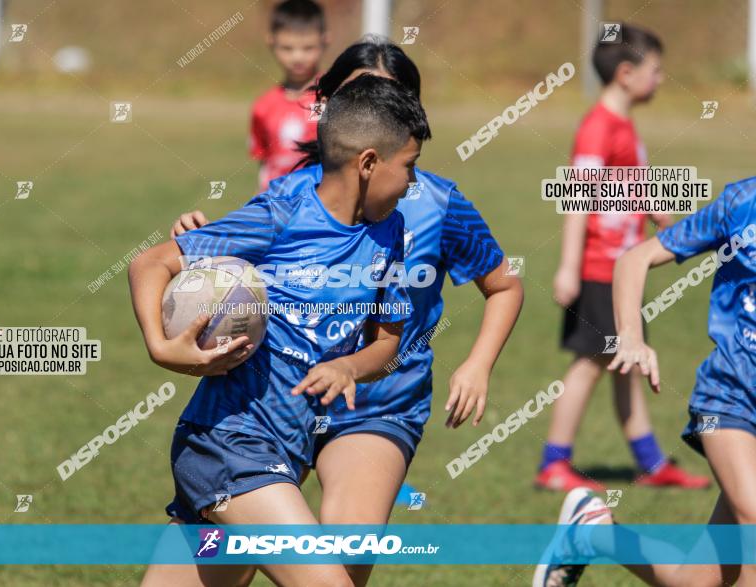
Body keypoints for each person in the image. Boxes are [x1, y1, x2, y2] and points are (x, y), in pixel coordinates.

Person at [170, 38, 524, 587]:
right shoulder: (293, 192)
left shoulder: (438, 202)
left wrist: (477, 363)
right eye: (357, 98)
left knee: (334, 569)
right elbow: (261, 273)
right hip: (274, 402)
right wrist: (201, 265)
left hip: (376, 405)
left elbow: (504, 285)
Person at [135, 74, 430, 587]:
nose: (413, 182)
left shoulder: (391, 231)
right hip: (228, 441)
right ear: (367, 162)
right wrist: (164, 350)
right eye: (409, 167)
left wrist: (347, 365)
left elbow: (387, 342)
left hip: (284, 450)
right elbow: (152, 263)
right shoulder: (283, 215)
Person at [535, 176, 756, 586]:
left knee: (697, 581)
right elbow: (634, 258)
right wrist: (631, 336)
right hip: (729, 400)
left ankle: (594, 533)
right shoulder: (742, 202)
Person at [536, 23, 708, 491]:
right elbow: (578, 198)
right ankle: (554, 463)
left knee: (626, 362)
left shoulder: (623, 128)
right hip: (598, 269)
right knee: (592, 363)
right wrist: (570, 267)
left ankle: (652, 464)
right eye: (656, 69)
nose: (661, 78)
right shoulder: (598, 128)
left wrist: (662, 215)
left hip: (619, 269)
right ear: (627, 73)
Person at [249, 0, 327, 191]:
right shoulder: (263, 105)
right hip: (275, 206)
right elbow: (264, 164)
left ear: (325, 41)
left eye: (308, 48)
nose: (297, 57)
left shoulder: (333, 95)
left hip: (318, 206)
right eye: (287, 48)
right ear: (271, 42)